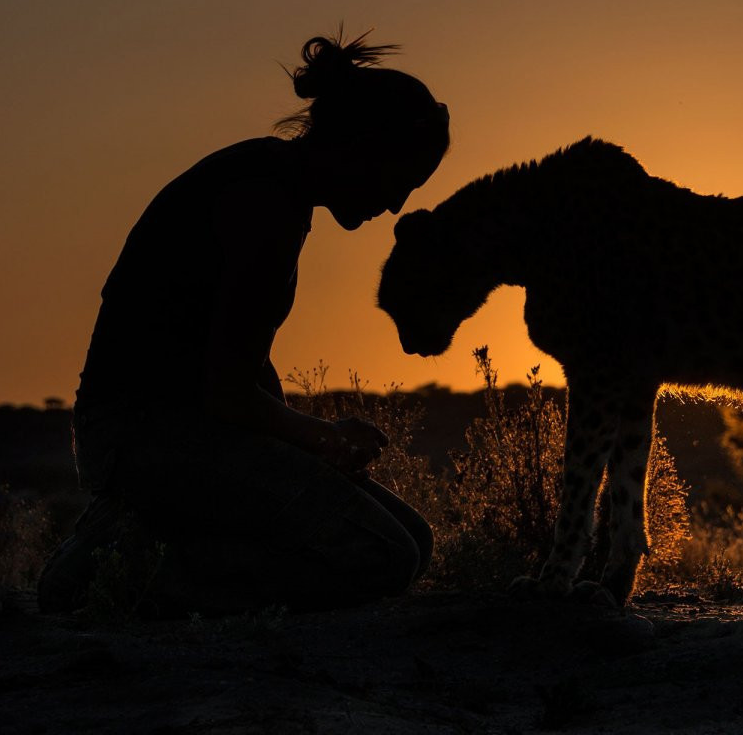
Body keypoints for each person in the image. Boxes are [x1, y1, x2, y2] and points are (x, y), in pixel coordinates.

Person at [38, 31, 449, 616]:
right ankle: (118, 575)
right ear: (365, 149)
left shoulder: (272, 185)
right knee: (383, 556)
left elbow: (237, 362)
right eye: (402, 181)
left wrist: (306, 440)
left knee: (415, 542)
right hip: (145, 435)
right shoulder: (263, 205)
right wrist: (321, 437)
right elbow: (227, 394)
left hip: (179, 429)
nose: (396, 206)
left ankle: (151, 533)